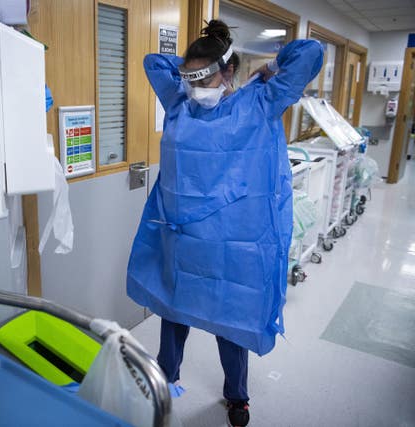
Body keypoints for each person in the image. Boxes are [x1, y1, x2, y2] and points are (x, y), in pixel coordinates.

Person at [126, 20, 323, 427]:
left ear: (229, 71)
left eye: (206, 77)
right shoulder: (180, 103)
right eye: (189, 79)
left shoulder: (261, 102)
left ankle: (237, 396)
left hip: (233, 247)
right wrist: (190, 71)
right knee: (173, 316)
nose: (197, 88)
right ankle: (163, 382)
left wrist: (272, 68)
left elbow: (310, 53)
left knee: (231, 327)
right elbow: (151, 62)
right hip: (183, 246)